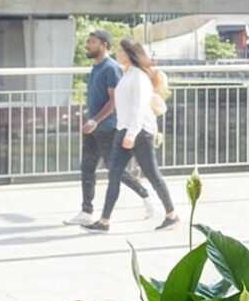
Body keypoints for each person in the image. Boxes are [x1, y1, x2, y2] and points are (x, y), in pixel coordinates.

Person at [65, 29, 162, 228]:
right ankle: (86, 211)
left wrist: (95, 120)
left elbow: (114, 101)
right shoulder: (96, 68)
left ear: (103, 45)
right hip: (94, 127)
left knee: (115, 170)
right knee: (87, 168)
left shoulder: (110, 68)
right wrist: (89, 119)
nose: (87, 45)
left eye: (91, 42)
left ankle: (146, 196)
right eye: (88, 42)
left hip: (107, 127)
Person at [93, 38, 178, 233]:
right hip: (125, 130)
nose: (117, 54)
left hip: (139, 133)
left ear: (129, 53)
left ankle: (172, 215)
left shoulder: (139, 77)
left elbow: (139, 108)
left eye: (120, 52)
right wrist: (124, 131)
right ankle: (104, 221)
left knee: (152, 174)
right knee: (114, 173)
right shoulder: (128, 74)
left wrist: (131, 134)